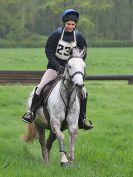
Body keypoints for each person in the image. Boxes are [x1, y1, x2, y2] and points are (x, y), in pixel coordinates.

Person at [22, 9, 93, 130]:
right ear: (64, 23)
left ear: (75, 25)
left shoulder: (79, 37)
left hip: (71, 70)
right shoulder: (55, 35)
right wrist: (56, 66)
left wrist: (76, 66)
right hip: (55, 67)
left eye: (73, 24)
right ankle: (31, 113)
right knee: (40, 87)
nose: (70, 26)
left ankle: (83, 119)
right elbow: (48, 52)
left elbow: (83, 54)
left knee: (84, 92)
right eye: (68, 24)